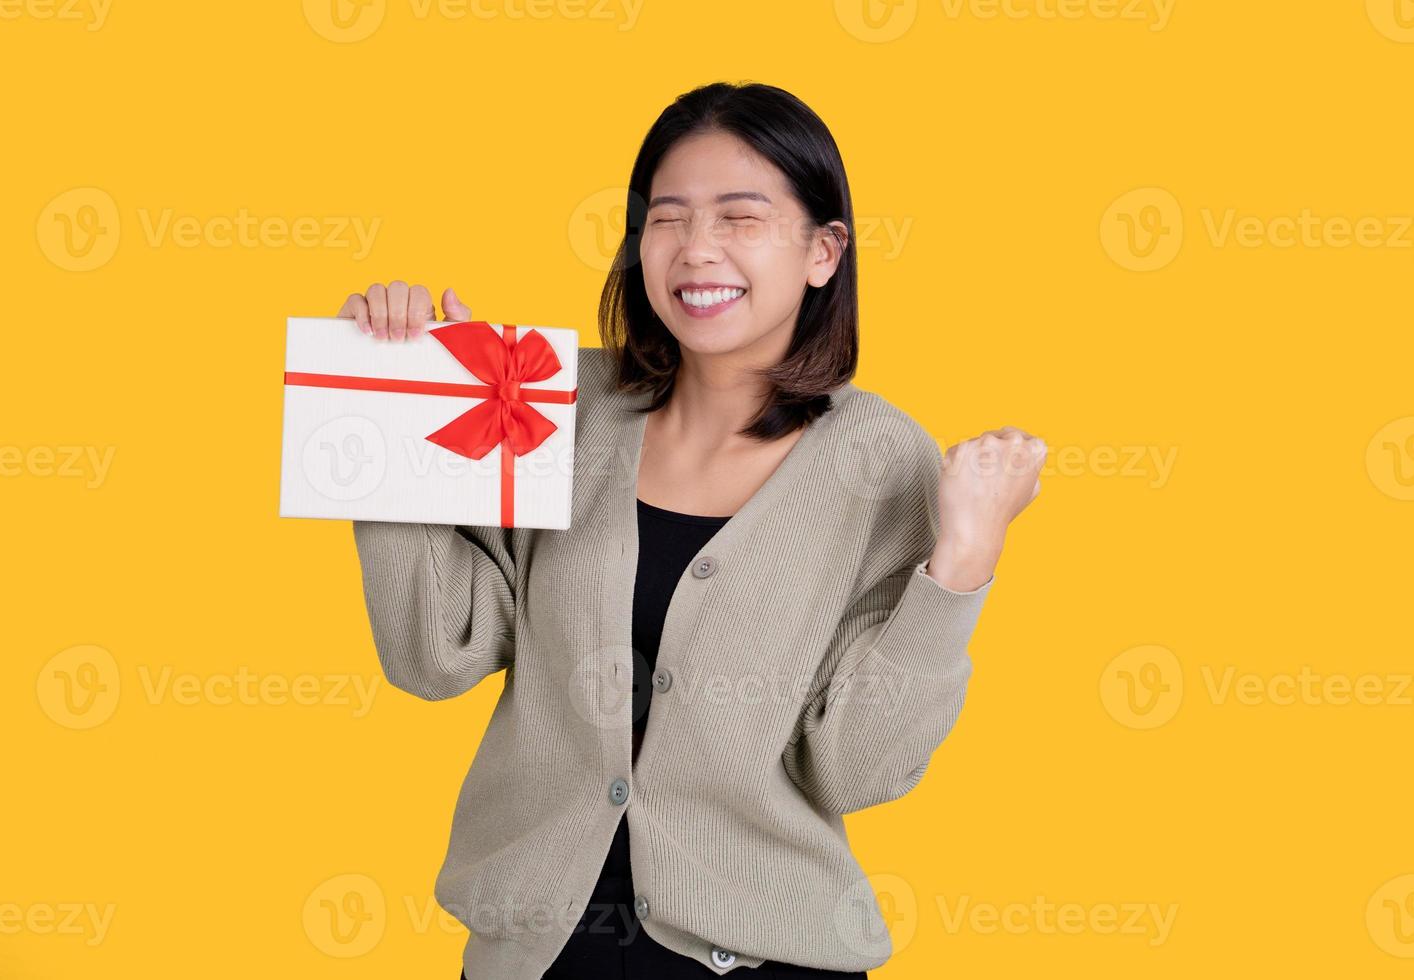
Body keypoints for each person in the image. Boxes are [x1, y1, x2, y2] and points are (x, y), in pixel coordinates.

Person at [339, 81, 1045, 980]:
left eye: (740, 217)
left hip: (767, 957)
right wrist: (394, 411)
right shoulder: (557, 406)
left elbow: (854, 769)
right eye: (666, 219)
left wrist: (962, 566)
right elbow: (434, 653)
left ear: (824, 252)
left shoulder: (883, 462)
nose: (696, 250)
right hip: (537, 949)